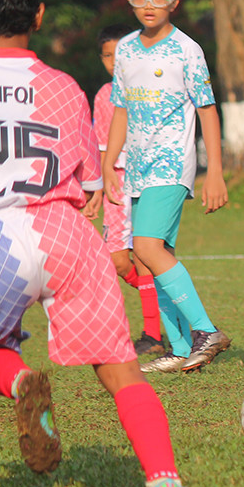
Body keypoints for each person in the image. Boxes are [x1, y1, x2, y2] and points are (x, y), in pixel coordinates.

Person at [0, 0, 190, 487]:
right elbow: (85, 183)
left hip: (2, 239)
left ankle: (16, 381)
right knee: (125, 374)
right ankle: (165, 483)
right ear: (38, 15)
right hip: (66, 235)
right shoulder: (64, 86)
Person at [103, 0, 231, 374]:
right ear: (130, 1)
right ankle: (178, 348)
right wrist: (108, 164)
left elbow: (208, 111)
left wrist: (214, 171)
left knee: (145, 248)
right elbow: (120, 110)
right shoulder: (124, 49)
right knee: (150, 258)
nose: (149, 5)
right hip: (137, 170)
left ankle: (204, 330)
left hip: (172, 165)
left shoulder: (187, 50)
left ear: (174, 1)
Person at [84, 23, 163, 356]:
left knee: (146, 255)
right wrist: (98, 190)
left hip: (147, 181)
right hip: (117, 182)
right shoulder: (104, 95)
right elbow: (102, 146)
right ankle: (167, 305)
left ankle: (153, 332)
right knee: (117, 261)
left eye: (120, 54)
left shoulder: (149, 89)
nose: (115, 62)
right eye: (107, 56)